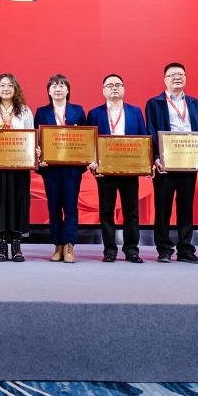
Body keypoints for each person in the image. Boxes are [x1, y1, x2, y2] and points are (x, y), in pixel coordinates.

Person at [145, 63, 198, 264]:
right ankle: (164, 249)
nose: (177, 78)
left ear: (186, 78)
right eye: (172, 75)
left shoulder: (194, 103)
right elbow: (150, 130)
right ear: (164, 80)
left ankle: (185, 249)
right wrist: (156, 157)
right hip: (165, 163)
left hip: (189, 161)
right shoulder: (154, 103)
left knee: (186, 207)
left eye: (180, 74)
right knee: (162, 207)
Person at [87, 74, 148, 263]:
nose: (114, 88)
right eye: (110, 85)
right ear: (103, 90)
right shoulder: (94, 113)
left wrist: (144, 164)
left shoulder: (135, 112)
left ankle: (132, 250)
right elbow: (90, 142)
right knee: (107, 211)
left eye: (118, 84)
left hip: (129, 170)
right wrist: (92, 161)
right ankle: (109, 250)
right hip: (105, 171)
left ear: (123, 88)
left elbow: (143, 138)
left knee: (131, 211)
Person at [0, 73, 34, 263]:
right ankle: (1, 246)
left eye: (10, 85)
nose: (6, 88)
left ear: (15, 89)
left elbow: (31, 137)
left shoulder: (25, 111)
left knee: (18, 203)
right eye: (2, 85)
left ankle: (17, 246)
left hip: (19, 167)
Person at [34, 74, 87, 263]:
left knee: (71, 207)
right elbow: (37, 139)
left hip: (72, 169)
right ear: (49, 91)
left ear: (68, 90)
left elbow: (86, 139)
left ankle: (69, 245)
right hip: (51, 169)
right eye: (54, 86)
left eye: (62, 85)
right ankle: (57, 245)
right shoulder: (41, 112)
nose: (58, 89)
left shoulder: (78, 111)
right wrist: (39, 156)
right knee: (54, 207)